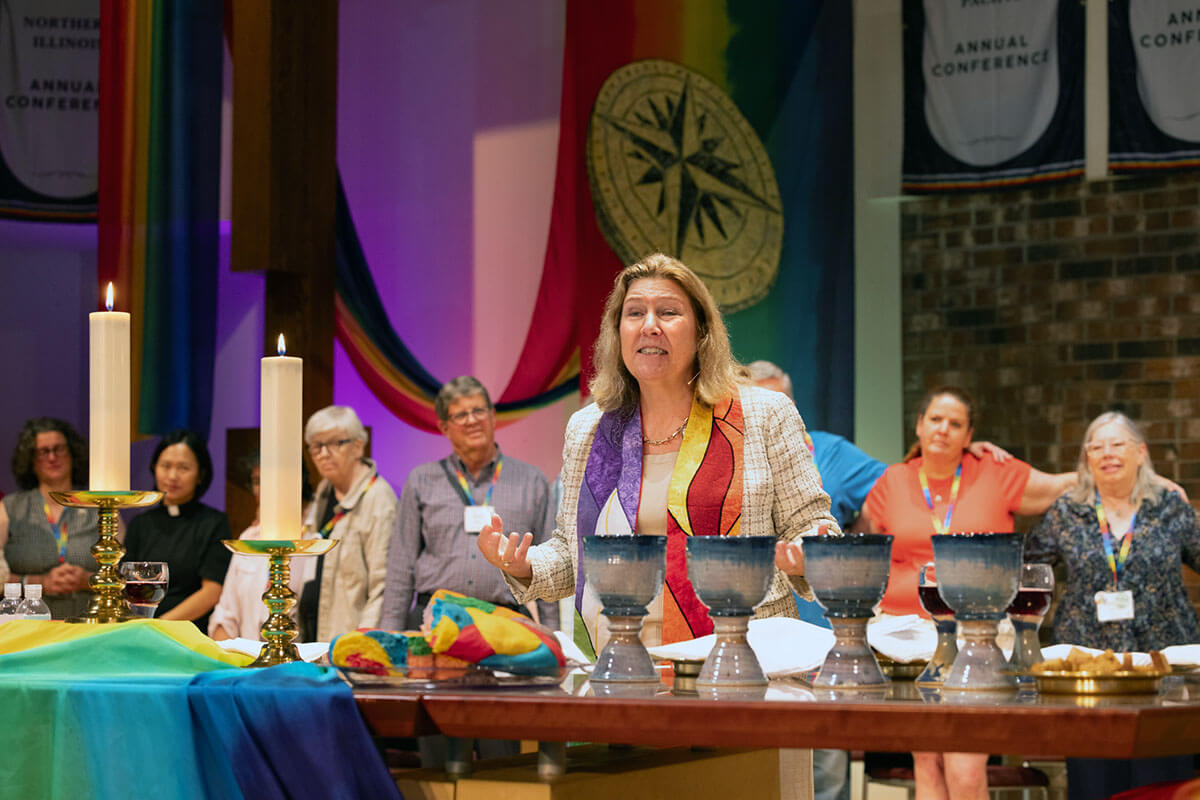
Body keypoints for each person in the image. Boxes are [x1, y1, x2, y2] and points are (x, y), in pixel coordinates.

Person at [476, 253, 839, 800]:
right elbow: (572, 557)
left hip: (741, 673)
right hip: (623, 677)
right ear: (617, 332)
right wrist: (522, 564)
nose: (649, 325)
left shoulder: (763, 414)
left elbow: (815, 524)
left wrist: (810, 552)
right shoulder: (589, 428)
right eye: (634, 312)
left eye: (668, 312)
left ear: (701, 330)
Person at [860, 386, 1079, 800]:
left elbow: (1065, 486)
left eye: (955, 423)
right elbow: (870, 543)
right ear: (919, 425)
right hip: (908, 638)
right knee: (926, 760)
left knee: (964, 762)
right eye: (935, 419)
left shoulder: (995, 471)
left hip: (979, 636)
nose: (943, 429)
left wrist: (1148, 477)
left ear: (970, 435)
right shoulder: (894, 480)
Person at [1026, 411, 1200, 800]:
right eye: (1097, 446)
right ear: (1086, 458)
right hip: (1089, 673)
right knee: (1094, 783)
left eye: (1118, 443)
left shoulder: (1170, 507)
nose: (1108, 453)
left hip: (1163, 672)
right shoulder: (1067, 512)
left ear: (1141, 452)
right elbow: (1027, 568)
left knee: (1160, 783)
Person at [380, 376, 559, 634]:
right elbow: (401, 565)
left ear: (493, 416)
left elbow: (549, 563)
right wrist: (390, 635)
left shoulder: (532, 481)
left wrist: (554, 636)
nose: (472, 420)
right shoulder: (421, 481)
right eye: (461, 415)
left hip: (505, 623)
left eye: (478, 411)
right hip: (433, 620)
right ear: (444, 427)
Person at [296, 405, 397, 643]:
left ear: (358, 446)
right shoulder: (323, 492)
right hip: (310, 636)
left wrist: (362, 643)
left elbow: (383, 588)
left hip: (348, 642)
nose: (323, 453)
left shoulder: (379, 499)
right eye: (316, 446)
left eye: (334, 443)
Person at [124, 430, 232, 633]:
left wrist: (159, 626)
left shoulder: (213, 523)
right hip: (140, 629)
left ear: (200, 475)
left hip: (190, 632)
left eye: (184, 468)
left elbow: (212, 591)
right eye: (166, 466)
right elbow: (125, 584)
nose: (172, 476)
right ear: (154, 468)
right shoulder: (140, 523)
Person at [209, 452, 315, 641]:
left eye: (272, 480)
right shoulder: (249, 537)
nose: (264, 490)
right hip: (248, 655)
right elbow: (225, 615)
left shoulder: (314, 535)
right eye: (257, 482)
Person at [0, 417, 98, 619]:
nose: (52, 457)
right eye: (43, 452)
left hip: (90, 624)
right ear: (30, 460)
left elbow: (124, 574)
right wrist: (40, 583)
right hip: (27, 627)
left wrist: (87, 580)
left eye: (59, 449)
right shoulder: (10, 509)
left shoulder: (98, 506)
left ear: (72, 453)